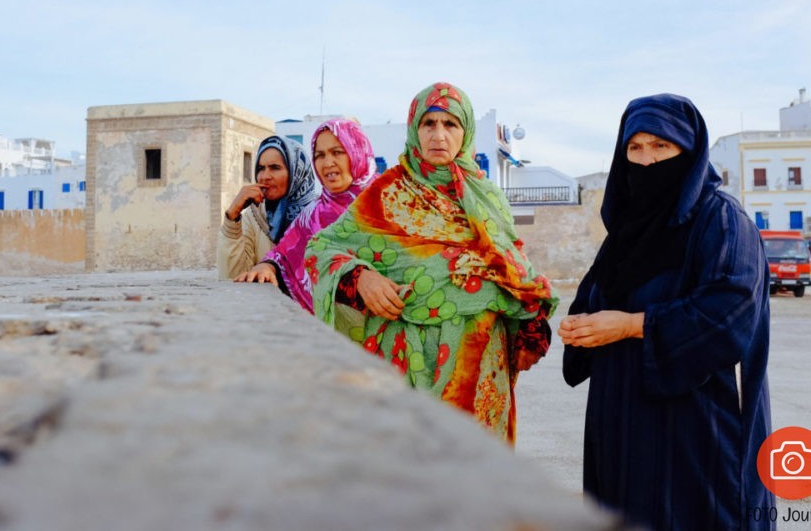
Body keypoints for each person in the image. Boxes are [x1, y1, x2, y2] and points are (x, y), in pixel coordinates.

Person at [558, 94, 774, 530]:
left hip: (692, 426)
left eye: (661, 146)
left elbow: (730, 311)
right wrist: (581, 326)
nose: (646, 160)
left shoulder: (722, 221)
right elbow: (598, 296)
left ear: (688, 152)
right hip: (620, 422)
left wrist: (632, 326)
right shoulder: (626, 231)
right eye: (634, 148)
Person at [308, 83, 558, 444]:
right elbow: (322, 248)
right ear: (414, 129)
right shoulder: (387, 193)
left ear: (465, 131)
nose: (438, 135)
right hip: (408, 361)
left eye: (450, 124)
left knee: (477, 479)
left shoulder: (488, 199)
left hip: (482, 366)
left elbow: (516, 271)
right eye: (429, 123)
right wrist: (360, 277)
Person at [235, 118, 376, 312]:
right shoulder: (312, 215)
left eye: (337, 152)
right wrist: (268, 266)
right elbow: (282, 255)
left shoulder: (390, 202)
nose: (327, 163)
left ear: (357, 152)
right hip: (320, 333)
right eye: (319, 155)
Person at [216, 135, 315, 280]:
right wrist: (232, 216)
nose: (265, 176)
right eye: (261, 168)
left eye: (275, 168)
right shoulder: (255, 216)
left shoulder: (319, 214)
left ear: (296, 172)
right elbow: (232, 277)